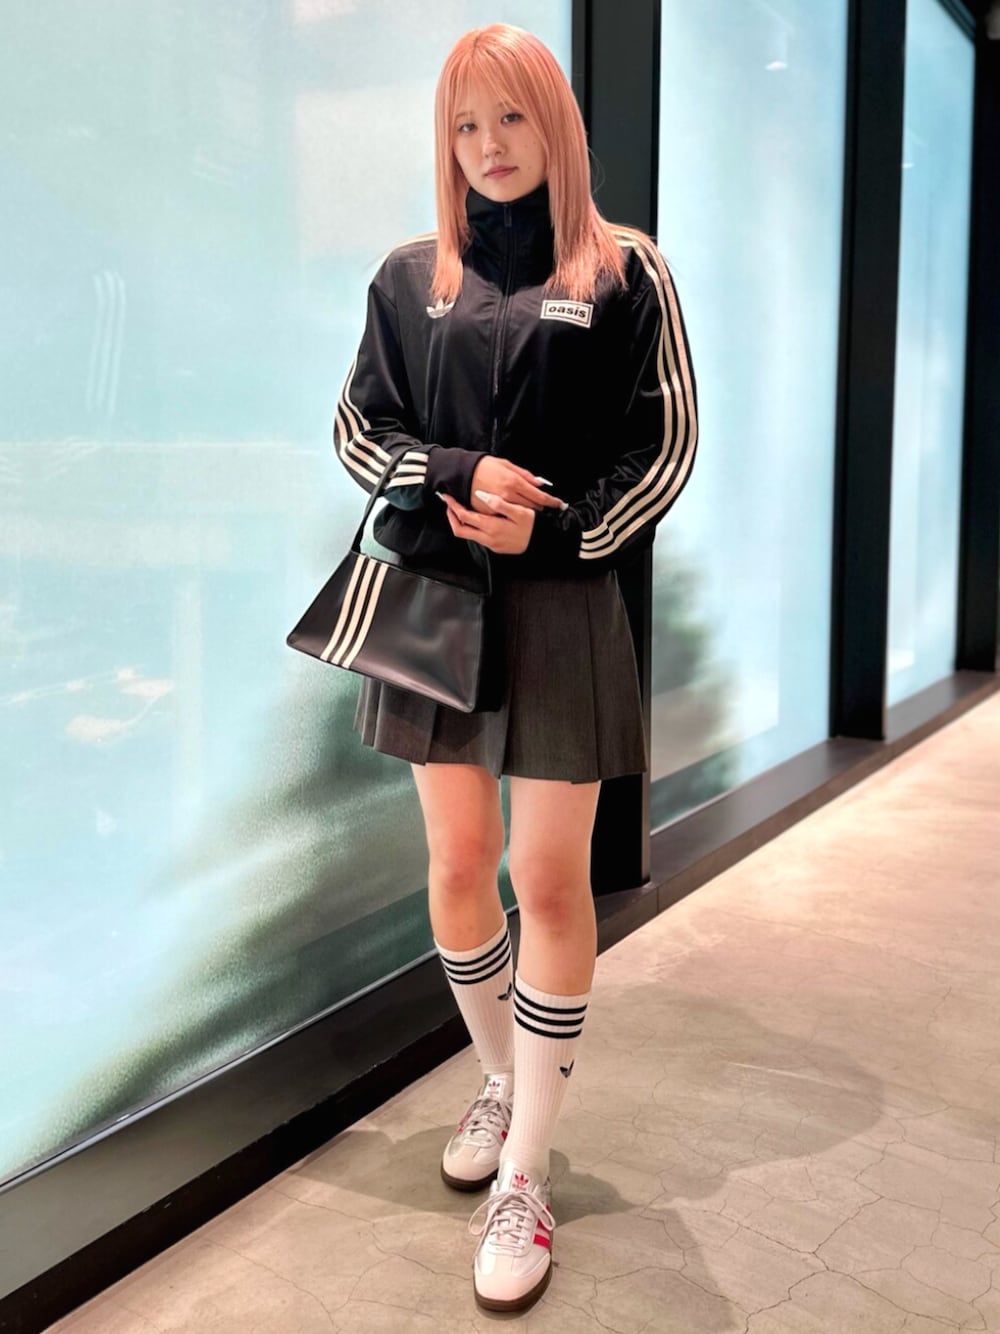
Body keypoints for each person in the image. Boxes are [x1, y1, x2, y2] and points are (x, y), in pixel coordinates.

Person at [334, 22, 697, 1314]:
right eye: (464, 125)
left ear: (556, 126)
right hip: (435, 601)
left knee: (546, 877)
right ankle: (500, 1078)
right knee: (454, 868)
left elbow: (665, 447)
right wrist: (454, 471)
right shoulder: (407, 276)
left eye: (511, 119)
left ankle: (526, 1172)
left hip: (562, 606)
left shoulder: (625, 269)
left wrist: (555, 528)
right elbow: (357, 426)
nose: (488, 147)